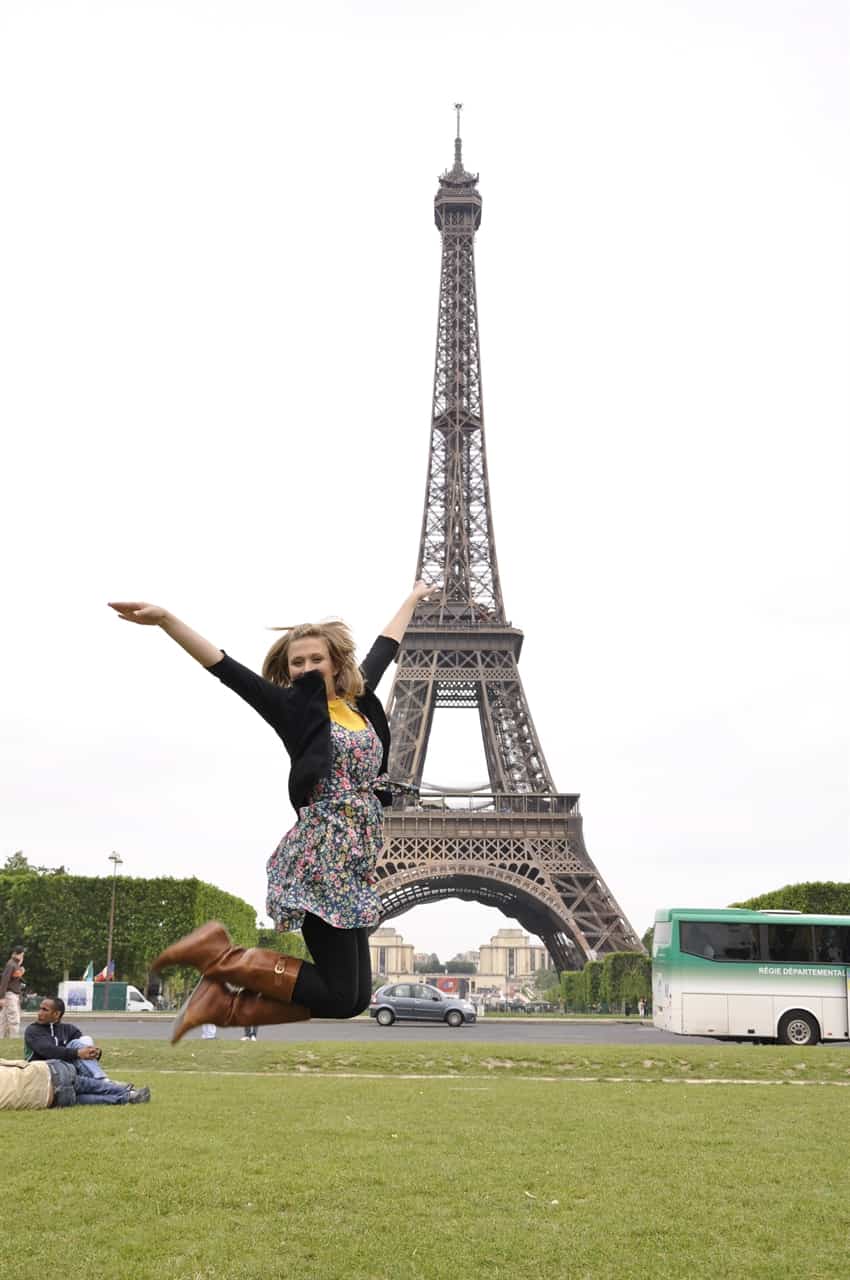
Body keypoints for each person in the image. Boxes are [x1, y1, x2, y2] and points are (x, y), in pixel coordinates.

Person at [108, 583, 432, 1042]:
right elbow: (225, 668)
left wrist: (415, 596)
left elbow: (386, 645)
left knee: (354, 1000)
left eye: (314, 659)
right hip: (322, 857)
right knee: (341, 997)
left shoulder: (358, 703)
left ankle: (225, 1001)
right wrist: (166, 621)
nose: (305, 667)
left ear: (335, 663)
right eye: (296, 662)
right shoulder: (292, 710)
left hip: (353, 858)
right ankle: (226, 960)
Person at [25, 997, 149, 1103]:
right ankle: (114, 1086)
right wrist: (78, 1053)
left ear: (57, 1014)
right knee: (82, 1095)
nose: (39, 1013)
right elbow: (49, 1051)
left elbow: (84, 1050)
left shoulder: (69, 1029)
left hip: (68, 1077)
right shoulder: (33, 1031)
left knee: (82, 1042)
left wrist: (95, 1052)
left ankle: (129, 1096)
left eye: (44, 1009)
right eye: (40, 1008)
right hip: (47, 1077)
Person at [1, 1058, 150, 1108]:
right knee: (87, 1084)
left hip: (50, 1100)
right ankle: (125, 1089)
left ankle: (128, 1097)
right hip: (52, 1075)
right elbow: (18, 1063)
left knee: (83, 1100)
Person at [0, 945, 26, 1038]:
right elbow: (4, 980)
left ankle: (3, 1040)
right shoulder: (11, 964)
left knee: (4, 1020)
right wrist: (2, 997)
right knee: (14, 1019)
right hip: (10, 995)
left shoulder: (14, 964)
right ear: (17, 954)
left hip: (10, 994)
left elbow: (12, 978)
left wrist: (20, 970)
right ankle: (13, 1039)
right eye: (22, 954)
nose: (22, 957)